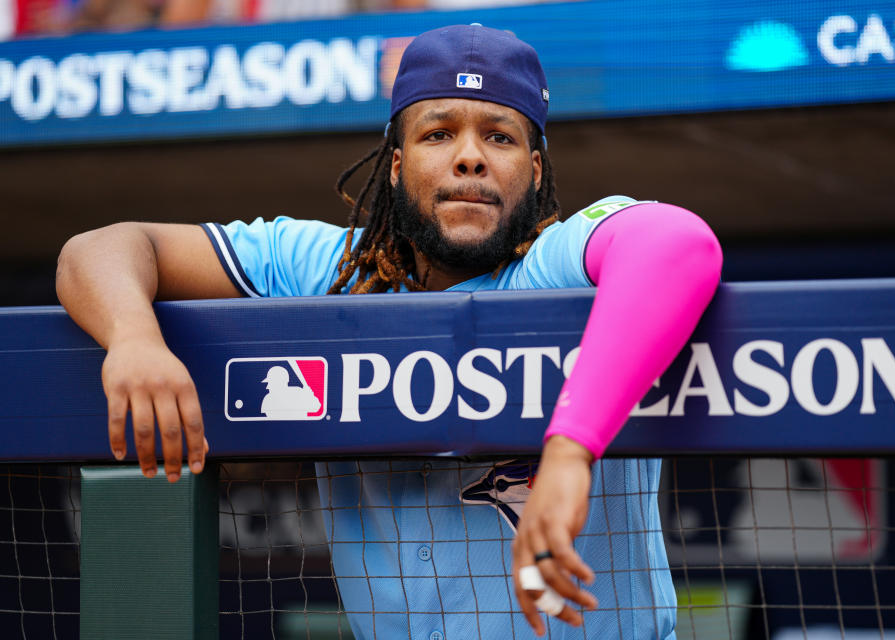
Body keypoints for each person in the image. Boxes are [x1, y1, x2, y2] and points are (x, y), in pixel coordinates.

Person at [56, 24, 722, 639]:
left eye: (500, 136)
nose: (470, 158)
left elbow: (678, 244)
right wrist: (134, 337)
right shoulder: (330, 269)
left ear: (536, 171)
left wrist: (571, 453)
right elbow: (103, 249)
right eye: (438, 134)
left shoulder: (557, 265)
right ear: (397, 165)